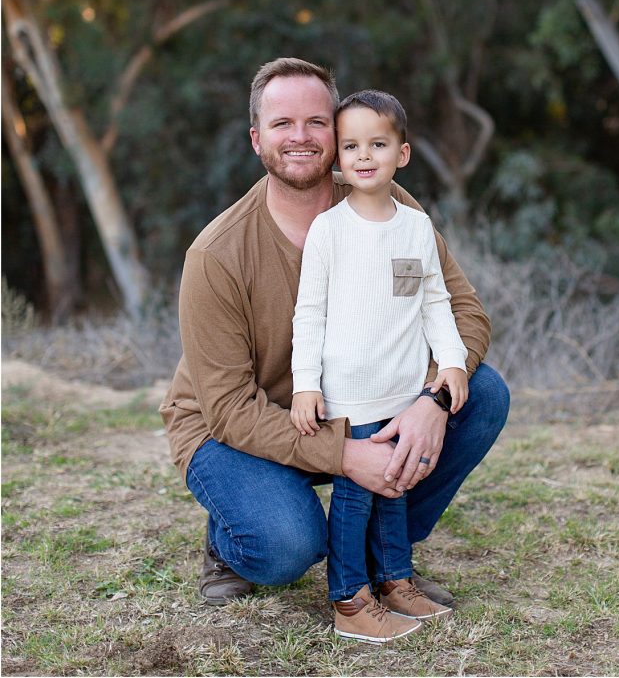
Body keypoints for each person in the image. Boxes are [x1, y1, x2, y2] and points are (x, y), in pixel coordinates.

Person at [160, 57, 509, 615]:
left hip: (360, 399)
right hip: (237, 427)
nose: (300, 137)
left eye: (316, 122)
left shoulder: (392, 209)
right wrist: (344, 455)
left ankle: (383, 557)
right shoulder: (216, 254)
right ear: (257, 139)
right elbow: (226, 406)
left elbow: (463, 311)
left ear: (339, 130)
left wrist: (433, 399)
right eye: (281, 124)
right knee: (289, 545)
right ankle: (230, 543)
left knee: (482, 393)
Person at [290, 89, 470, 642]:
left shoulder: (415, 228)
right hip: (349, 392)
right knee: (355, 496)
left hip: (404, 391)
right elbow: (309, 312)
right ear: (338, 160)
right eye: (350, 146)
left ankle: (395, 580)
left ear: (403, 153)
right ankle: (349, 597)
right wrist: (305, 386)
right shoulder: (330, 230)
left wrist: (454, 364)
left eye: (377, 144)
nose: (364, 156)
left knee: (394, 488)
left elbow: (433, 301)